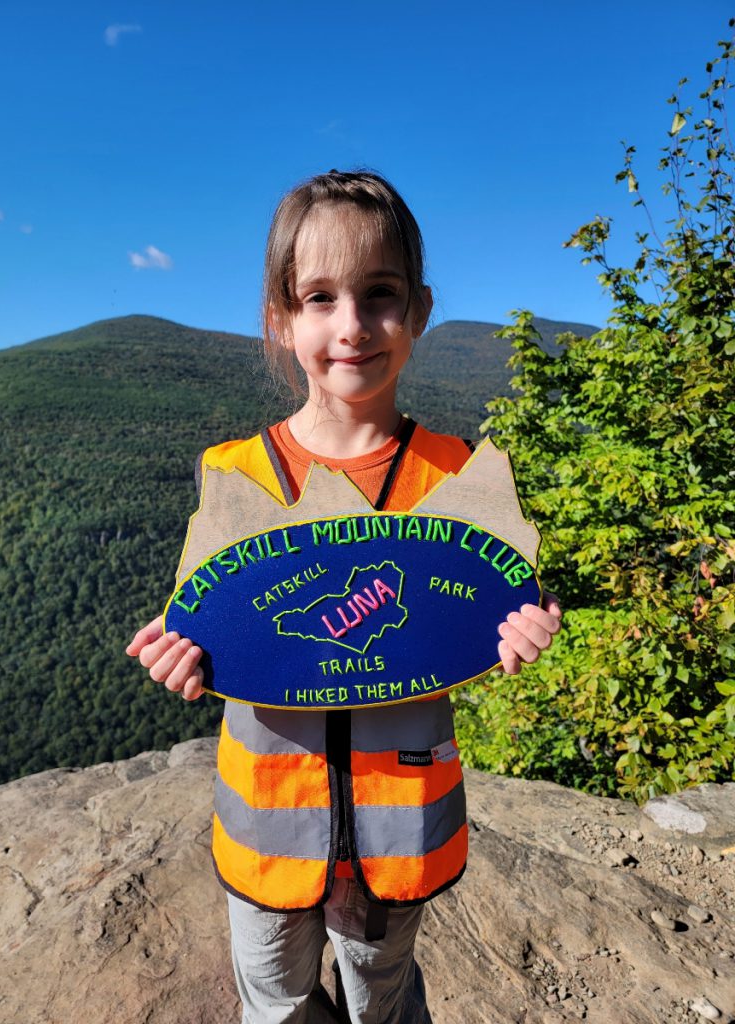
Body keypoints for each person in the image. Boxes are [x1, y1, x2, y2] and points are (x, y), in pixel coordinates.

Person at [126, 170, 561, 1024]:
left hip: (403, 824)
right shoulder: (235, 473)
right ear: (280, 320)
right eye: (319, 298)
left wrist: (520, 628)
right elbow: (202, 623)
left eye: (380, 294)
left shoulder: (455, 474)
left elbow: (496, 601)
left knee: (384, 996)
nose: (353, 326)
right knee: (279, 1004)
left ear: (420, 309)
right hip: (267, 828)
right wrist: (177, 657)